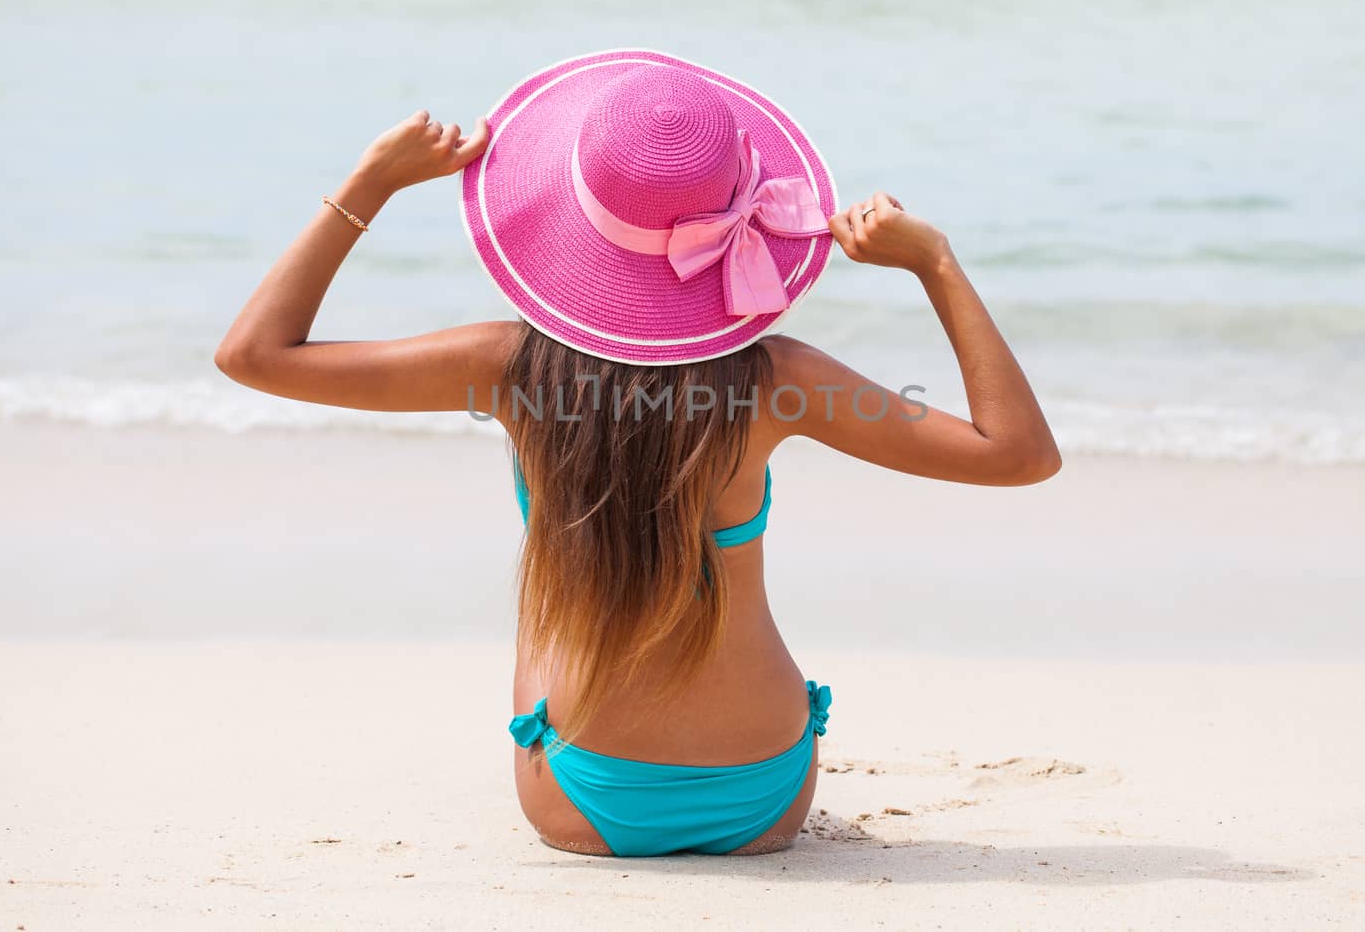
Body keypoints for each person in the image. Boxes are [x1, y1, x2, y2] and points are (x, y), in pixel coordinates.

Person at [215, 49, 1060, 858]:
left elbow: (253, 354)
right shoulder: (778, 379)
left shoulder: (508, 368)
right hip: (764, 791)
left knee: (555, 606)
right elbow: (1019, 453)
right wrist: (935, 264)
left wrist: (373, 183)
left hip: (588, 794)